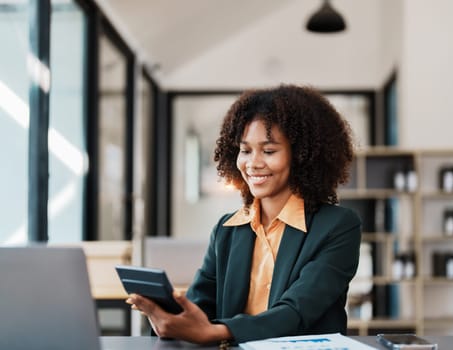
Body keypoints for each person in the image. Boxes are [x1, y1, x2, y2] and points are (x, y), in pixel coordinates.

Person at [127, 84, 362, 345]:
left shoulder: (338, 226)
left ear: (303, 156)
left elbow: (297, 312)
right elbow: (200, 306)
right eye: (245, 150)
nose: (253, 163)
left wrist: (216, 332)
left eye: (269, 151)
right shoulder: (227, 229)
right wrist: (172, 319)